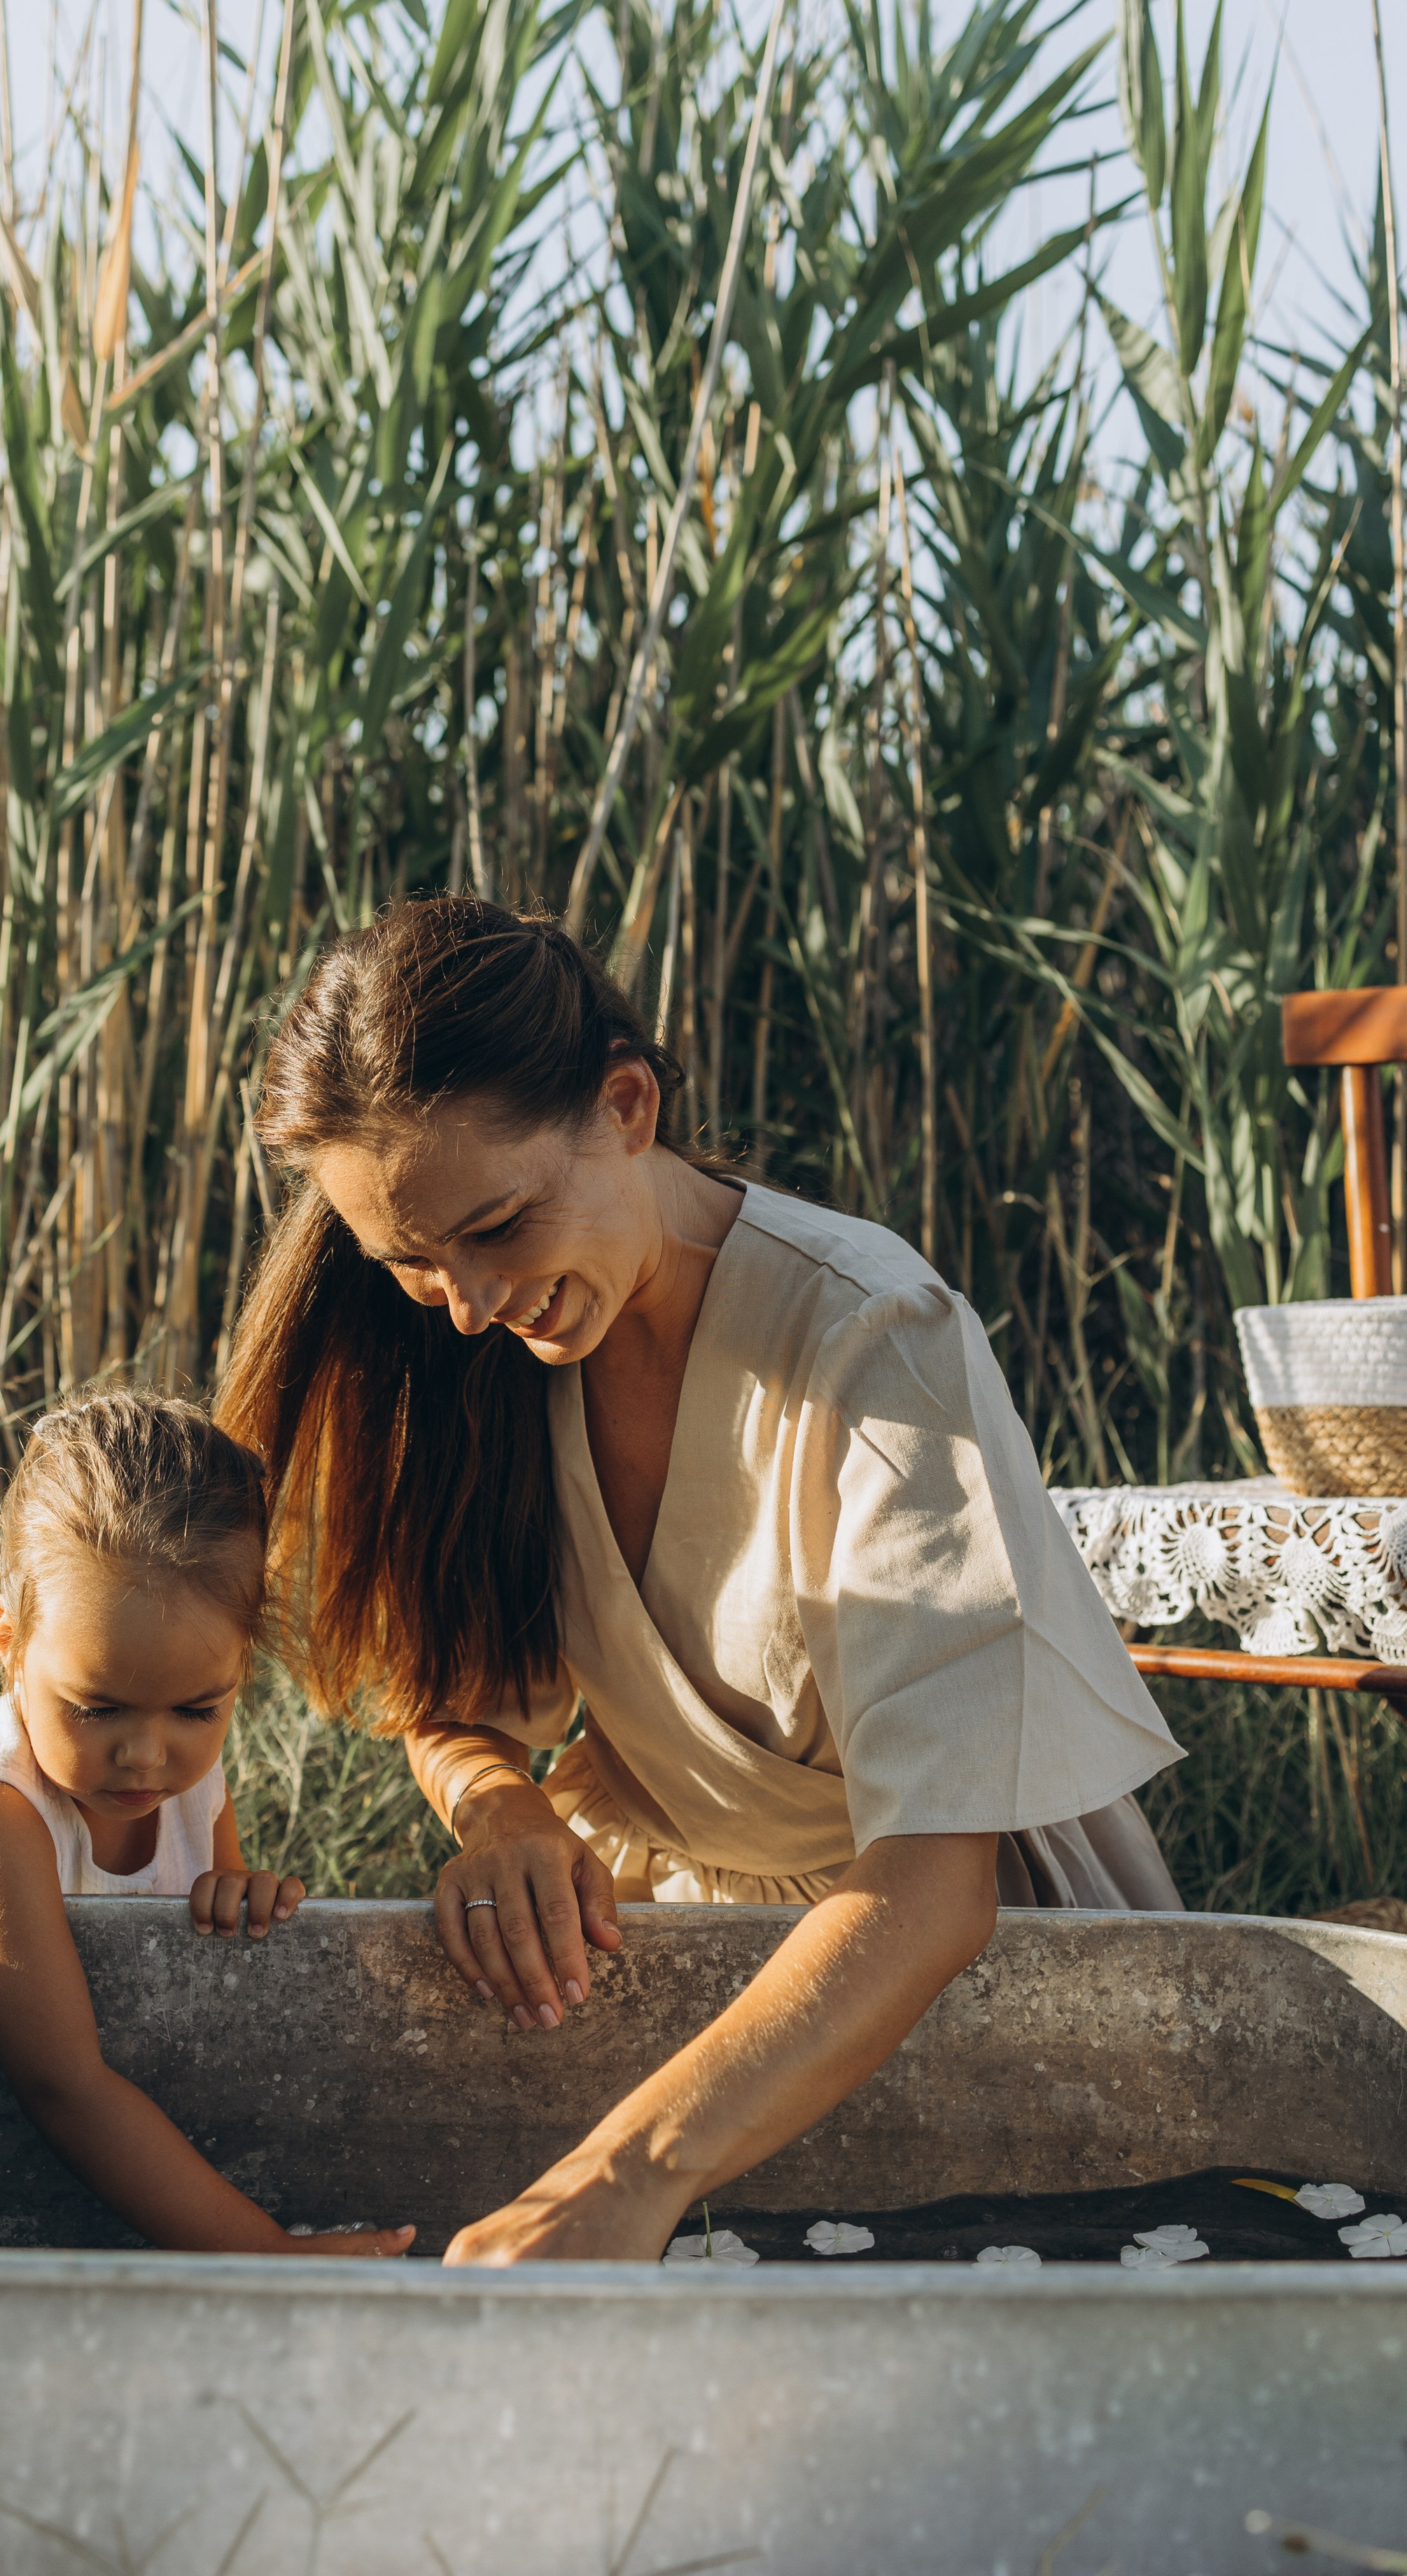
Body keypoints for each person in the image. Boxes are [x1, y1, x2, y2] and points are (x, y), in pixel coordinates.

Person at [218, 895, 1184, 2266]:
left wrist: (625, 2172)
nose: (470, 1304)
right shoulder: (490, 1338)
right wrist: (498, 1806)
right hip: (661, 1949)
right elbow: (454, 1700)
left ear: (627, 1105)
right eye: (413, 1263)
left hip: (936, 1978)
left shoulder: (873, 1335)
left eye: (498, 1226)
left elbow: (934, 1888)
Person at [0, 1388, 414, 2259]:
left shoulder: (189, 1780)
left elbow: (194, 1981)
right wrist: (265, 2257)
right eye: (98, 1708)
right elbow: (64, 2086)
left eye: (197, 1709)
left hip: (73, 2187)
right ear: (10, 1642)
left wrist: (236, 1900)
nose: (146, 1756)